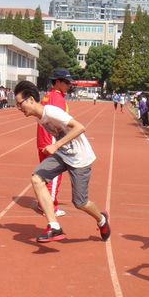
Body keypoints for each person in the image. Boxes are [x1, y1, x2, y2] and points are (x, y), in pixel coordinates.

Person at [14, 80, 111, 243]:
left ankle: (101, 219)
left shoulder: (51, 111)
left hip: (80, 158)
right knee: (37, 179)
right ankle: (54, 226)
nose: (18, 108)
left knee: (80, 203)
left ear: (31, 99)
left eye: (20, 104)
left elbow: (80, 127)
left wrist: (56, 144)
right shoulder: (39, 117)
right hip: (63, 155)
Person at [36, 68, 71, 218]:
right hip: (52, 140)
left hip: (43, 139)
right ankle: (50, 207)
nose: (69, 85)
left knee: (44, 173)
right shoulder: (57, 98)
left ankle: (43, 202)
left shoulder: (48, 96)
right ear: (57, 82)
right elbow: (61, 122)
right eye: (66, 82)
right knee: (55, 174)